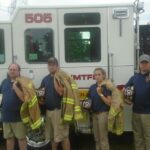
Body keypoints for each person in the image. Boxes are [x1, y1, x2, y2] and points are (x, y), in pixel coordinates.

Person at [40, 57, 71, 150]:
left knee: (63, 137)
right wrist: (41, 99)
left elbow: (62, 92)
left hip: (59, 111)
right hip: (49, 112)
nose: (51, 67)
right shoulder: (45, 79)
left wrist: (56, 78)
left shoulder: (63, 77)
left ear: (57, 66)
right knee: (53, 137)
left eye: (53, 65)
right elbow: (42, 94)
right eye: (49, 65)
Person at [124, 54, 150, 150]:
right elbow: (125, 90)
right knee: (137, 135)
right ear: (139, 65)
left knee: (148, 136)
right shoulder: (134, 78)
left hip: (148, 113)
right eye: (142, 63)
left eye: (146, 63)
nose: (144, 65)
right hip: (136, 112)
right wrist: (127, 99)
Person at [0, 63, 27, 150]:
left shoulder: (23, 82)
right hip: (6, 117)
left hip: (18, 117)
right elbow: (1, 96)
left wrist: (15, 87)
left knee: (21, 139)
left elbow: (24, 98)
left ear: (19, 71)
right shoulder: (4, 82)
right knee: (9, 139)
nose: (12, 71)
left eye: (14, 70)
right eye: (10, 69)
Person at [88, 68, 112, 150]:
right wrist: (86, 105)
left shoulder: (107, 87)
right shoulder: (92, 87)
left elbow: (109, 102)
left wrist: (100, 94)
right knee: (96, 138)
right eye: (95, 75)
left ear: (103, 75)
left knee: (103, 138)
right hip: (94, 115)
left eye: (99, 74)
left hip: (103, 114)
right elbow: (89, 100)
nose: (97, 76)